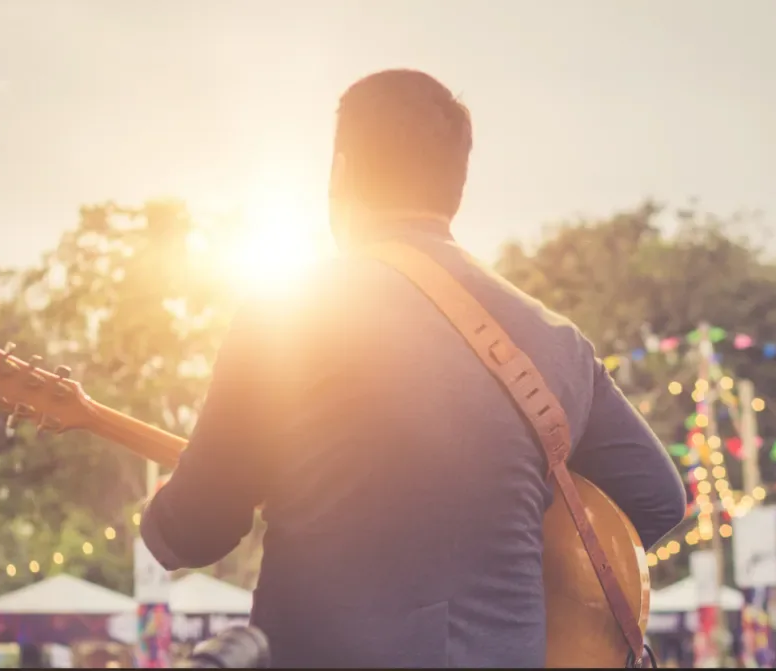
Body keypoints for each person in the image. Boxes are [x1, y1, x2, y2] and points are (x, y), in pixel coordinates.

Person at [141, 69, 686, 668]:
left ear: (340, 174)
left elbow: (195, 531)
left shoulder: (288, 310)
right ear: (453, 189)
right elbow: (659, 500)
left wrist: (166, 508)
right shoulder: (558, 342)